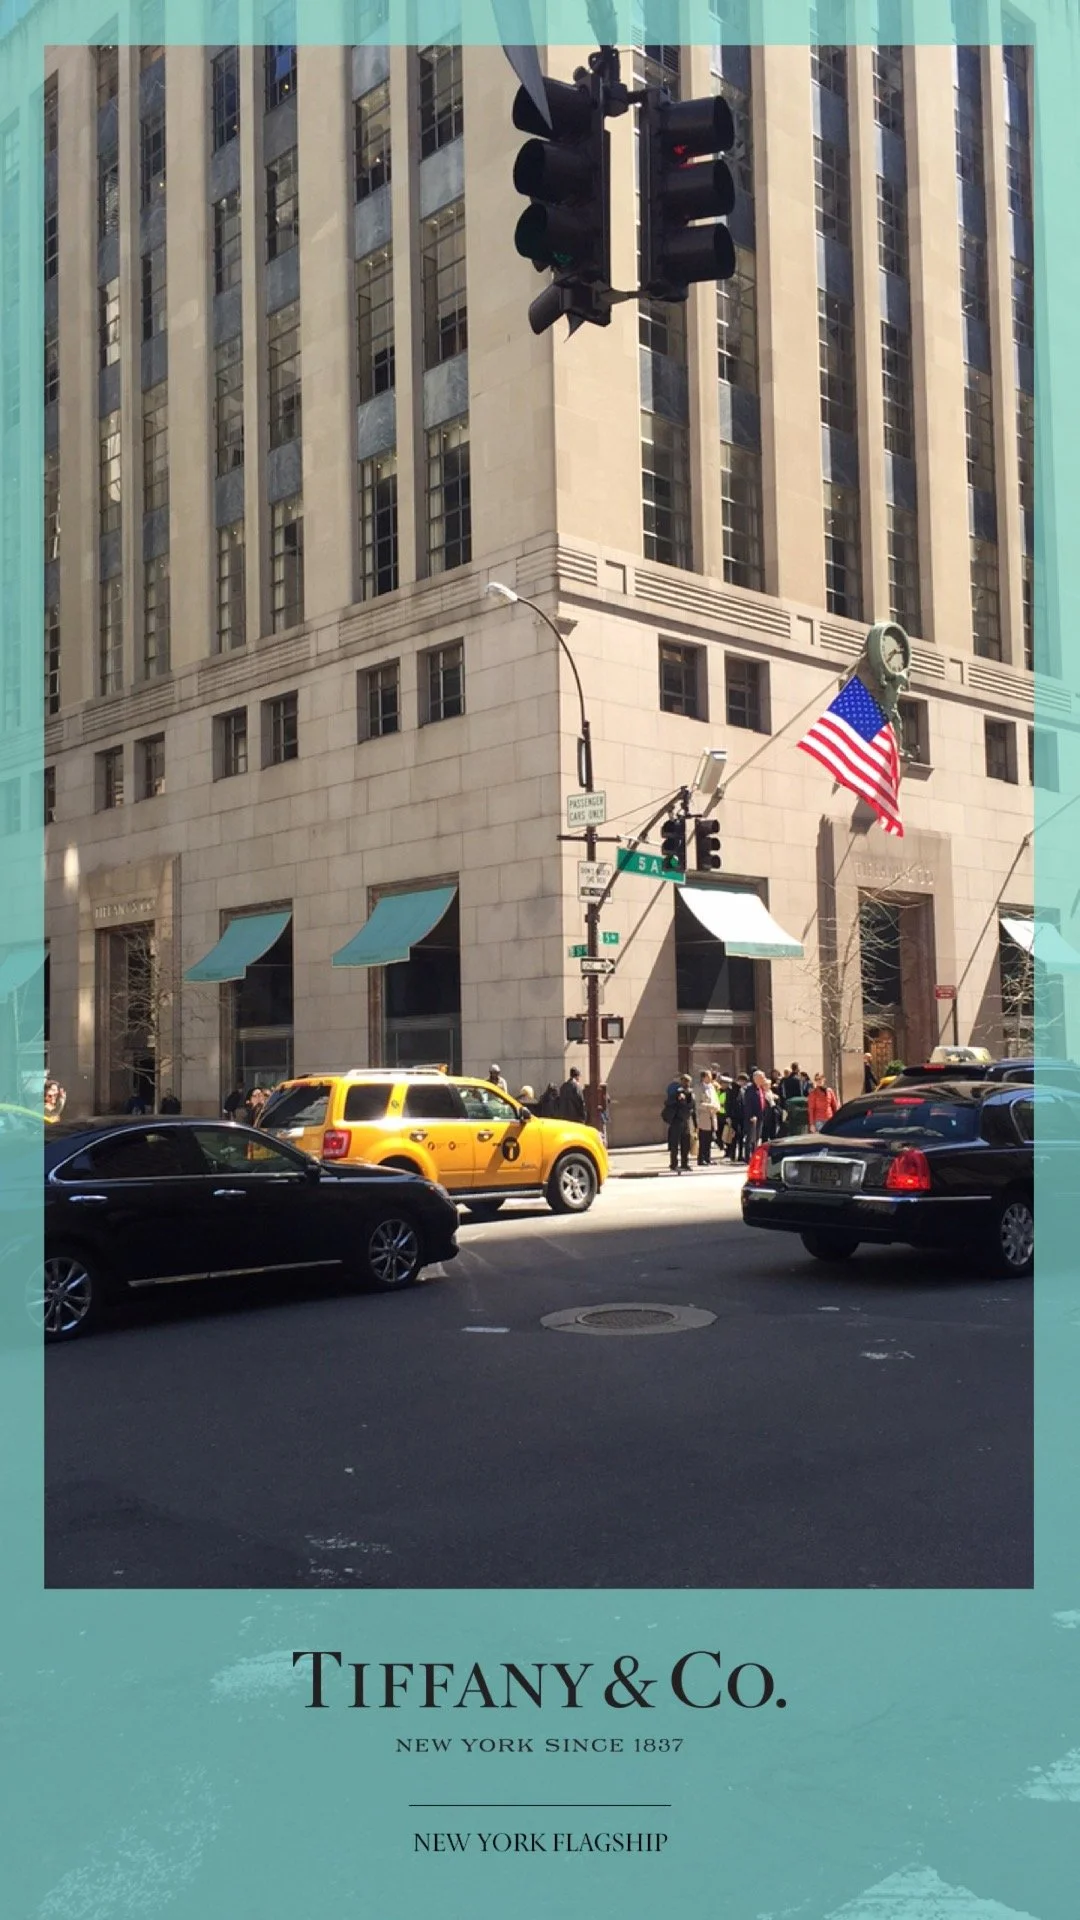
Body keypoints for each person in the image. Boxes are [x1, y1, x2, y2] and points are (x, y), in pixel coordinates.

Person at [662, 1073, 696, 1173]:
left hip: (685, 1121)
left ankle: (685, 1164)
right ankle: (674, 1164)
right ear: (681, 1082)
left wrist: (695, 1123)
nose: (687, 1084)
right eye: (685, 1081)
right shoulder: (675, 1092)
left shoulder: (690, 1093)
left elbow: (692, 1107)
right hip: (676, 1121)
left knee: (685, 1144)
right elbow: (667, 1102)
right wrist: (677, 1097)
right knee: (674, 1145)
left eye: (688, 1082)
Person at [696, 1070, 720, 1166]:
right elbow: (697, 1103)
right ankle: (701, 1159)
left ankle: (708, 1158)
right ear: (703, 1077)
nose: (711, 1078)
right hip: (703, 1117)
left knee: (709, 1139)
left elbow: (716, 1100)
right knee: (703, 1139)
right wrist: (708, 1106)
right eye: (708, 1076)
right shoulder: (699, 1088)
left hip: (712, 1115)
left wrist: (717, 1107)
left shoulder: (712, 1087)